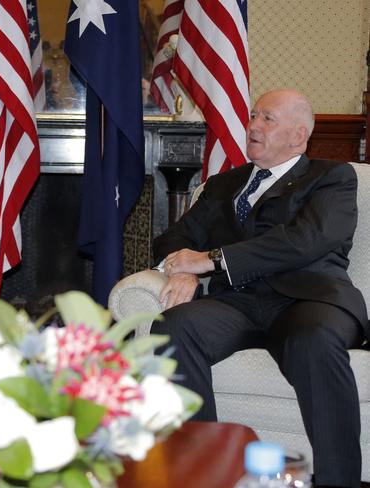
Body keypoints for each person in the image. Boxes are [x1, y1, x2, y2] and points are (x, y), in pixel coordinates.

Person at [152, 89, 367, 487]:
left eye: (267, 118)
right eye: (253, 116)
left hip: (308, 298)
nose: (252, 125)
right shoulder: (221, 185)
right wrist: (181, 270)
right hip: (236, 302)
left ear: (298, 135)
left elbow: (307, 240)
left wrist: (211, 260)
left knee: (315, 341)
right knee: (173, 328)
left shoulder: (330, 178)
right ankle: (203, 474)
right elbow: (172, 238)